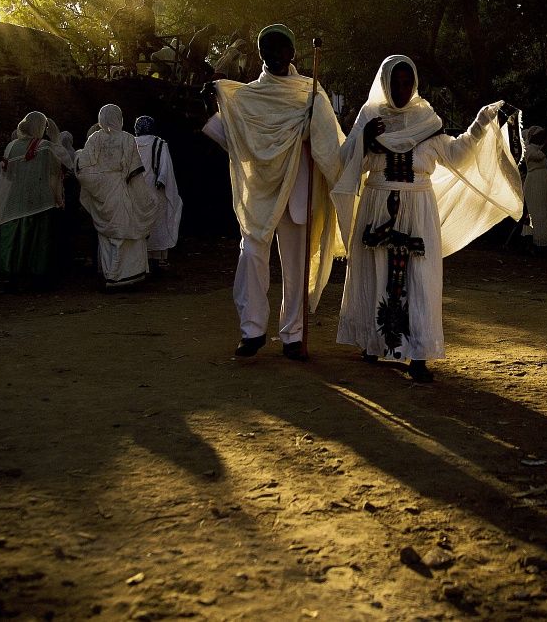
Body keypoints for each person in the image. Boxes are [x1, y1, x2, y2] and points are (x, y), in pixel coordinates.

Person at [332, 55, 519, 382]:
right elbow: (347, 164)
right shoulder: (370, 117)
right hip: (376, 205)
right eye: (395, 83)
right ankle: (375, 342)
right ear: (385, 84)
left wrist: (483, 122)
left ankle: (418, 354)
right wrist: (364, 141)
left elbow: (458, 154)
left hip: (418, 209)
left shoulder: (427, 121)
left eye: (407, 83)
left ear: (414, 84)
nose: (402, 90)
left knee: (419, 279)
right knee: (374, 272)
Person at [202, 23, 346, 361]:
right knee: (251, 255)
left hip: (298, 193)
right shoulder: (248, 96)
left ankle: (293, 335)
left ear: (293, 52)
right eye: (268, 47)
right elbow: (238, 145)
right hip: (261, 194)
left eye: (282, 47)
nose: (275, 53)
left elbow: (329, 145)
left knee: (296, 268)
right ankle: (252, 331)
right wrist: (212, 109)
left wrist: (313, 125)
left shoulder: (310, 92)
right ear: (261, 52)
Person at [76, 105, 159, 288]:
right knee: (128, 230)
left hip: (103, 194)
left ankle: (111, 275)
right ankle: (127, 275)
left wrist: (98, 184)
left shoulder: (94, 138)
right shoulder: (127, 139)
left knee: (107, 236)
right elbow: (134, 173)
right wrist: (145, 199)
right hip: (122, 190)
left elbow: (83, 167)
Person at [0, 111, 72, 290]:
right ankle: (35, 276)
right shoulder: (45, 146)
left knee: (17, 238)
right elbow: (54, 172)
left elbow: (8, 174)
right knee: (37, 240)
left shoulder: (11, 146)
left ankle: (11, 275)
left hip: (15, 199)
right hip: (40, 201)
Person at [133, 115, 183, 269]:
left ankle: (140, 258)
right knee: (158, 222)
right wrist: (161, 180)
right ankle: (158, 257)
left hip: (136, 190)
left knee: (138, 221)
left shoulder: (130, 143)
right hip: (156, 189)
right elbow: (165, 167)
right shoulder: (159, 143)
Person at [521, 126, 547, 252]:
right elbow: (538, 156)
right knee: (534, 211)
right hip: (534, 182)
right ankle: (532, 241)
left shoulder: (542, 150)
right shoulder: (529, 149)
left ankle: (543, 241)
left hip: (542, 183)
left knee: (543, 211)